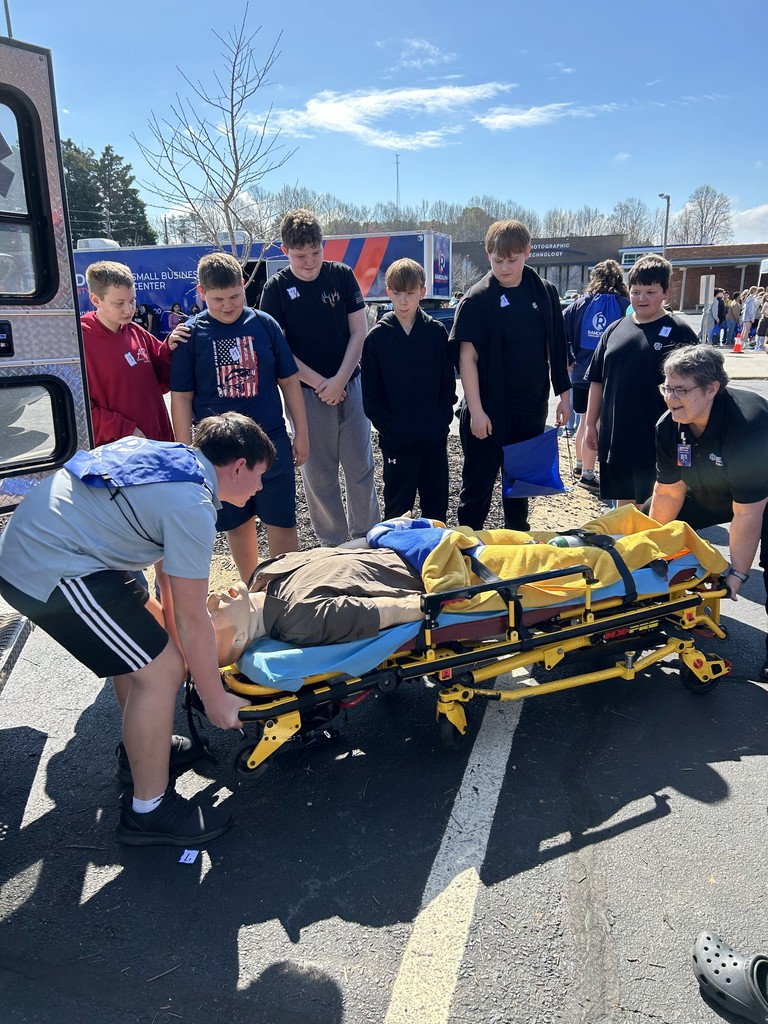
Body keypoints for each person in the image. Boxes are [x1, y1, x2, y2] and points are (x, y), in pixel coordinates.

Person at [0, 413, 273, 846]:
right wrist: (214, 695)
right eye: (260, 475)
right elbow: (190, 614)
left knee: (150, 652)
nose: (260, 488)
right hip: (50, 565)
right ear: (238, 465)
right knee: (160, 670)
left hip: (71, 548)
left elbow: (169, 581)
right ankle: (149, 809)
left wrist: (180, 650)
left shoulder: (177, 459)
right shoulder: (193, 505)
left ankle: (143, 754)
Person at [168, 251, 309, 583]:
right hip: (218, 453)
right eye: (217, 299)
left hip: (270, 442)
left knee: (282, 521)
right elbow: (181, 398)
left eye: (234, 296)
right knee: (236, 522)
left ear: (244, 286)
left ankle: (287, 590)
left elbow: (289, 381)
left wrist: (301, 432)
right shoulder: (190, 335)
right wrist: (185, 453)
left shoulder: (264, 324)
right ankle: (253, 588)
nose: (227, 305)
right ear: (201, 293)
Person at [260, 208, 380, 547]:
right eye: (300, 256)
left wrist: (340, 379)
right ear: (285, 252)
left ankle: (368, 538)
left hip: (350, 386)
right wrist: (320, 383)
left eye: (315, 253)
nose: (310, 262)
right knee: (318, 475)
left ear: (323, 246)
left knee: (361, 469)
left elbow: (359, 331)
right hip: (306, 395)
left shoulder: (341, 275)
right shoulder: (277, 288)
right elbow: (278, 349)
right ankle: (334, 544)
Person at [649, 345, 768, 681]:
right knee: (645, 529)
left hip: (761, 495)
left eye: (680, 390)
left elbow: (747, 514)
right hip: (713, 488)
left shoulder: (748, 425)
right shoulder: (669, 425)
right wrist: (646, 548)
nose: (670, 398)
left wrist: (738, 574)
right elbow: (669, 491)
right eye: (667, 388)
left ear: (712, 388)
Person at [448, 219, 571, 531]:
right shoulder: (477, 299)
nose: (504, 267)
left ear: (527, 252)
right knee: (478, 489)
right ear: (488, 255)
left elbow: (556, 347)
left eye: (512, 260)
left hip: (529, 410)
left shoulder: (544, 293)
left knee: (518, 491)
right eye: (497, 260)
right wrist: (475, 410)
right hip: (487, 412)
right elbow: (467, 358)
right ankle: (468, 548)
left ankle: (517, 551)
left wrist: (564, 397)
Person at [584, 254, 698, 507]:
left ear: (666, 292)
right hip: (617, 438)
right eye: (636, 292)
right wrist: (591, 424)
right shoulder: (614, 330)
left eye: (650, 291)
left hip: (657, 442)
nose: (641, 298)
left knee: (652, 510)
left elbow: (698, 392)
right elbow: (596, 381)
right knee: (623, 512)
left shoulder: (681, 332)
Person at [361, 258, 456, 522]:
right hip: (397, 445)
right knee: (397, 512)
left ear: (422, 292)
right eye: (397, 293)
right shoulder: (377, 338)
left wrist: (440, 422)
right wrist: (390, 429)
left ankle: (436, 561)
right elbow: (371, 396)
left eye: (410, 293)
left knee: (436, 511)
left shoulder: (436, 333)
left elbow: (448, 386)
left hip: (433, 442)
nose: (403, 300)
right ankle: (398, 563)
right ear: (388, 292)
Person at [208, 547, 427, 657]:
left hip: (399, 544)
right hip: (421, 566)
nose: (212, 599)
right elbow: (389, 611)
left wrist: (385, 532)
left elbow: (336, 551)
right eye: (213, 615)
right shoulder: (302, 620)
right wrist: (439, 602)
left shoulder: (262, 575)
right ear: (239, 639)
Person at [81, 261, 175, 446]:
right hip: (120, 454)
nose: (129, 309)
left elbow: (161, 381)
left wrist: (169, 349)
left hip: (158, 446)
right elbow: (77, 411)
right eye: (119, 303)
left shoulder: (135, 331)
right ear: (95, 300)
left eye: (132, 300)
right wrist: (125, 429)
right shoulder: (80, 341)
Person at [562, 260, 630, 493]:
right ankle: (589, 475)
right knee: (597, 422)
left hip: (581, 374)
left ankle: (581, 465)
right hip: (608, 375)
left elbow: (559, 330)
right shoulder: (624, 305)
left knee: (583, 420)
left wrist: (568, 358)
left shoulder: (579, 304)